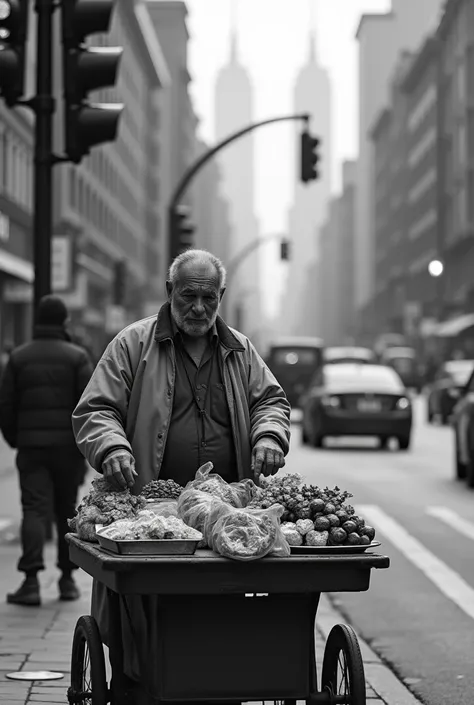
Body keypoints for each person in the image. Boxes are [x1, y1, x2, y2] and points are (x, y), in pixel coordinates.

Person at [71, 248, 291, 695]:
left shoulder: (240, 350)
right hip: (150, 515)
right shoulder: (133, 344)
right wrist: (112, 446)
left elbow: (270, 400)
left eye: (208, 298)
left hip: (227, 519)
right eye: (188, 295)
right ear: (170, 291)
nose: (198, 308)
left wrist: (268, 435)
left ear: (221, 296)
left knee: (222, 610)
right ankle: (146, 683)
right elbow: (96, 408)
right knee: (146, 611)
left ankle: (218, 684)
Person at [0, 295, 94, 606]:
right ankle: (67, 580)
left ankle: (30, 581)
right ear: (64, 322)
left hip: (32, 448)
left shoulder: (19, 358)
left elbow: (6, 406)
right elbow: (89, 406)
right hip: (67, 449)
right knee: (65, 509)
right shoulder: (78, 357)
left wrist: (17, 439)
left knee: (34, 509)